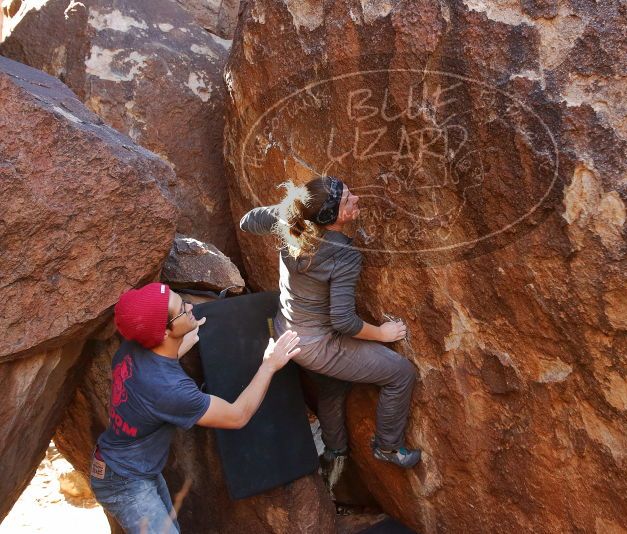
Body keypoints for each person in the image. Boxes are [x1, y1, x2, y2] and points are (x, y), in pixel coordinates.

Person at [239, 176, 422, 468]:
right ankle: (388, 447)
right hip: (317, 344)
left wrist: (285, 212)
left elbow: (247, 222)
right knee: (401, 373)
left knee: (332, 386)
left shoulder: (290, 218)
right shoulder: (343, 253)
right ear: (332, 217)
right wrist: (382, 334)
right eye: (349, 201)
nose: (357, 199)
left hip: (288, 334)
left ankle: (335, 451)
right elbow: (344, 322)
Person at [90, 282, 300, 533]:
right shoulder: (171, 391)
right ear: (165, 333)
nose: (189, 306)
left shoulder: (132, 349)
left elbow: (158, 369)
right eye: (182, 309)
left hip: (121, 465)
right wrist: (270, 365)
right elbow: (237, 416)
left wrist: (186, 333)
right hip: (125, 481)